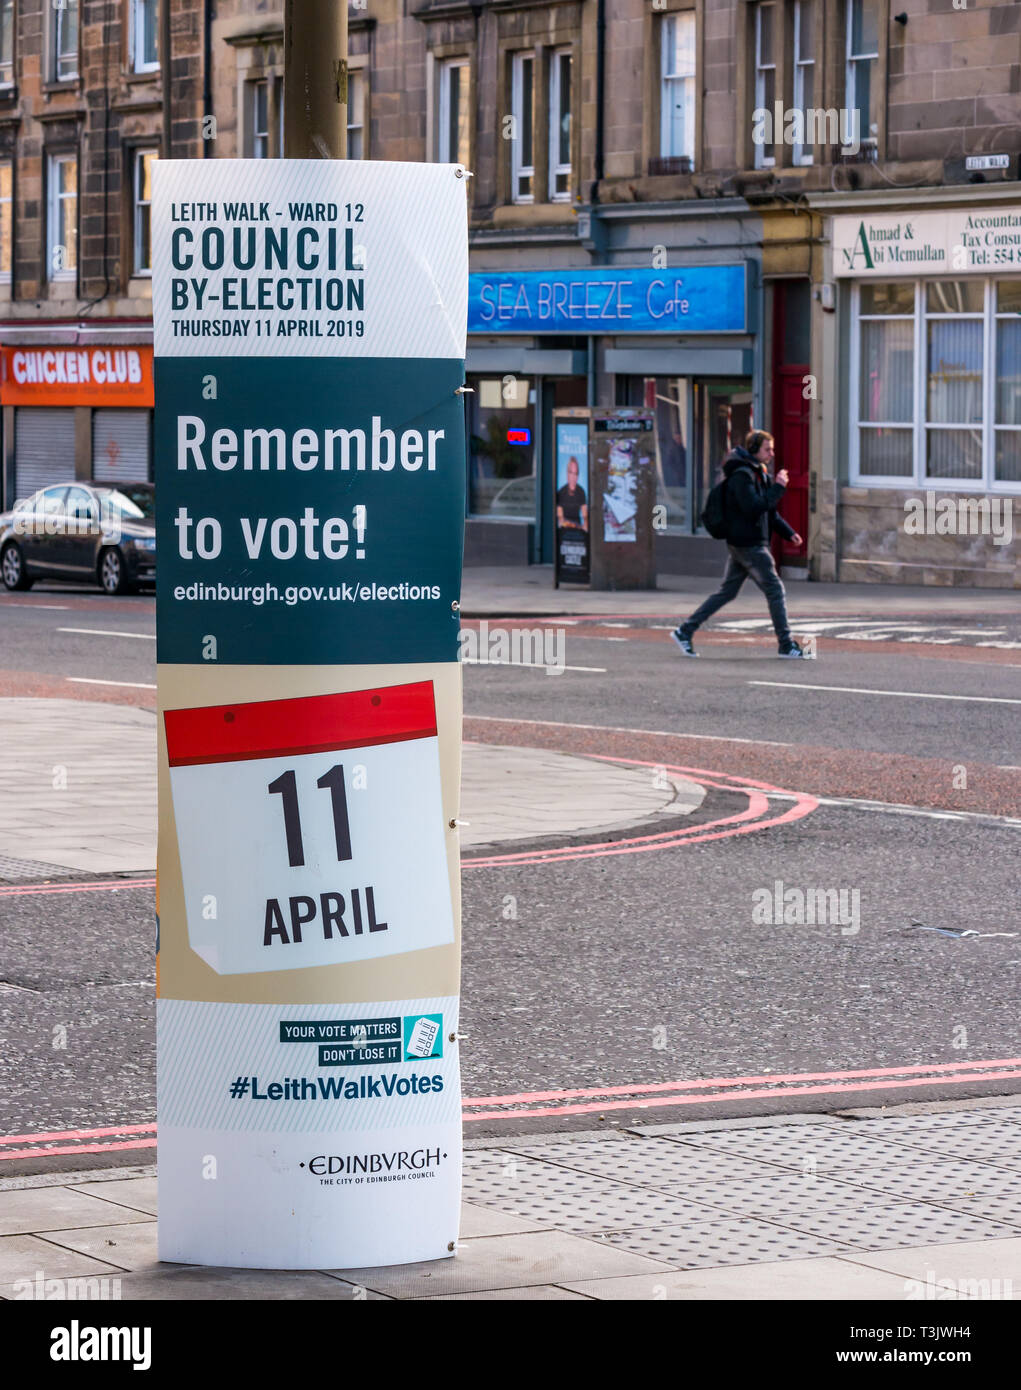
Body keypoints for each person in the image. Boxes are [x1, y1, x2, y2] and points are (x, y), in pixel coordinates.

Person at [671, 430, 805, 658]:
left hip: (744, 543)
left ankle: (685, 630)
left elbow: (768, 511)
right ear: (753, 450)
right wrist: (779, 488)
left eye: (772, 449)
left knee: (727, 592)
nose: (772, 453)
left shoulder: (758, 473)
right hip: (749, 544)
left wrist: (788, 533)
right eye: (767, 449)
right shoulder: (741, 476)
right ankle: (786, 644)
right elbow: (753, 507)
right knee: (775, 590)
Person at [556, 456, 588, 531]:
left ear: (578, 476)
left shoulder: (581, 491)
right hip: (564, 530)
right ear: (567, 474)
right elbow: (560, 517)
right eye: (571, 473)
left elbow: (585, 516)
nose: (573, 477)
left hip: (578, 529)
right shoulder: (561, 492)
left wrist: (584, 528)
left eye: (575, 473)